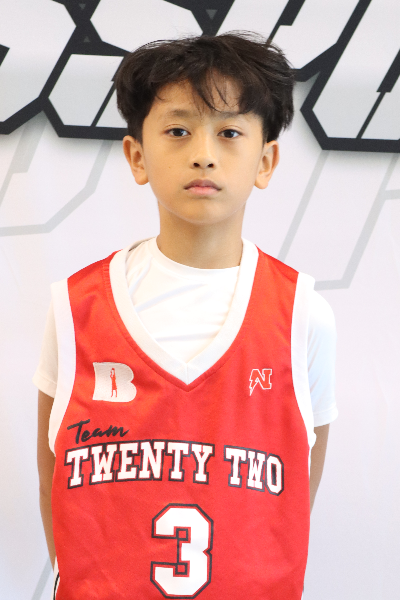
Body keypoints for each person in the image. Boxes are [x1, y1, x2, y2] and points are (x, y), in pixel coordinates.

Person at [35, 32, 337, 600]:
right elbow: (53, 475)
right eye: (178, 131)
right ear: (137, 156)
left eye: (229, 132)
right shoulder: (75, 307)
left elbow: (296, 493)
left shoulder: (304, 316)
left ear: (265, 161)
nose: (203, 153)